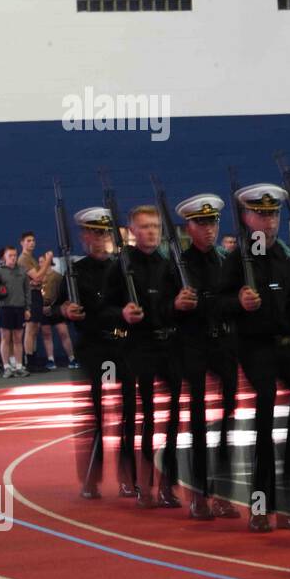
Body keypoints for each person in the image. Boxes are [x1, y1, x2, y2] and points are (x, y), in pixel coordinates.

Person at [220, 184, 290, 533]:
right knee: (264, 424)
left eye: (272, 214)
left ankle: (288, 506)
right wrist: (236, 303)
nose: (268, 221)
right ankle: (260, 506)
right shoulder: (236, 261)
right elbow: (216, 304)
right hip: (256, 347)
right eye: (260, 214)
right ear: (246, 217)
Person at [101, 205, 190, 508]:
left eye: (155, 226)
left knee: (176, 416)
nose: (151, 231)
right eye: (145, 226)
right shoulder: (121, 266)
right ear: (132, 232)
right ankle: (144, 484)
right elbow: (105, 310)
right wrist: (122, 313)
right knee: (148, 415)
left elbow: (179, 308)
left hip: (171, 346)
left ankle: (168, 484)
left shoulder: (170, 265)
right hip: (140, 346)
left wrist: (180, 305)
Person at [55, 207, 138, 499]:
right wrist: (65, 309)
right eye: (94, 232)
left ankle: (129, 477)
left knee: (128, 413)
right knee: (97, 415)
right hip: (94, 347)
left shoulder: (123, 268)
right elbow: (52, 310)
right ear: (83, 237)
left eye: (104, 232)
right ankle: (91, 477)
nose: (100, 238)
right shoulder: (75, 272)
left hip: (122, 346)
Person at [174, 194, 241, 521]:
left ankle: (224, 494)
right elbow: (163, 312)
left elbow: (231, 303)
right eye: (201, 223)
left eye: (212, 221)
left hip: (224, 345)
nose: (209, 228)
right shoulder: (178, 264)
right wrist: (177, 306)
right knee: (198, 421)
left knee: (229, 419)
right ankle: (199, 495)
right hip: (194, 346)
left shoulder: (226, 261)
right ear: (188, 226)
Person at [0, 247, 30, 378]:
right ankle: (6, 367)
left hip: (20, 308)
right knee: (5, 338)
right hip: (4, 309)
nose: (13, 258)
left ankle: (19, 366)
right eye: (10, 255)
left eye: (15, 255)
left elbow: (27, 291)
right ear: (4, 257)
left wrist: (28, 308)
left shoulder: (22, 271)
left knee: (17, 339)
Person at [17, 231, 55, 371]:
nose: (31, 243)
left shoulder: (31, 258)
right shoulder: (24, 259)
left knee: (34, 328)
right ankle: (29, 361)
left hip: (36, 293)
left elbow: (41, 279)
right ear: (22, 243)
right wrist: (47, 262)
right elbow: (39, 277)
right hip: (30, 296)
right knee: (30, 328)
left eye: (33, 240)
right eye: (28, 240)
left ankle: (33, 358)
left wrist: (37, 278)